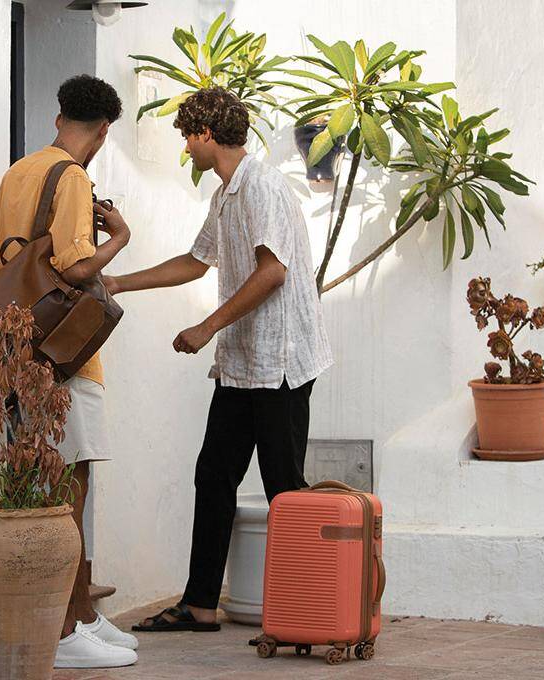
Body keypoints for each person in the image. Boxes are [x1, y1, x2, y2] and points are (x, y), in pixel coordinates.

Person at [99, 87, 333, 633]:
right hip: (243, 364)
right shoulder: (227, 193)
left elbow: (273, 272)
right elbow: (196, 261)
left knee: (284, 490)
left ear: (206, 134)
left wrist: (207, 327)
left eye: (187, 135)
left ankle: (306, 611)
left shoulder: (263, 188)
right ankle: (201, 603)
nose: (185, 146)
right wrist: (119, 283)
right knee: (214, 474)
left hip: (280, 363)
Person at [0, 74, 139, 668]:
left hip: (18, 341)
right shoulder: (73, 177)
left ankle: (78, 614)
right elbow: (76, 268)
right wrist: (120, 237)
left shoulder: (18, 171)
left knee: (50, 486)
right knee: (67, 490)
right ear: (103, 131)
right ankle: (59, 631)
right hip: (66, 352)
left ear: (59, 117)